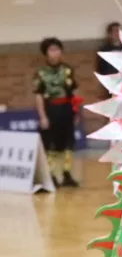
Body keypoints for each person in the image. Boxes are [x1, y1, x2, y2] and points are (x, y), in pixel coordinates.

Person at [33, 37, 80, 187]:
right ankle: (52, 175)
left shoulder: (67, 70)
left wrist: (76, 111)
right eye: (51, 50)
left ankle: (67, 173)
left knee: (68, 142)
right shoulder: (40, 73)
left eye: (58, 49)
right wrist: (42, 116)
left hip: (66, 109)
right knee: (50, 143)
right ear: (45, 54)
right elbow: (38, 95)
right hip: (50, 109)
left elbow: (74, 92)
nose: (55, 53)